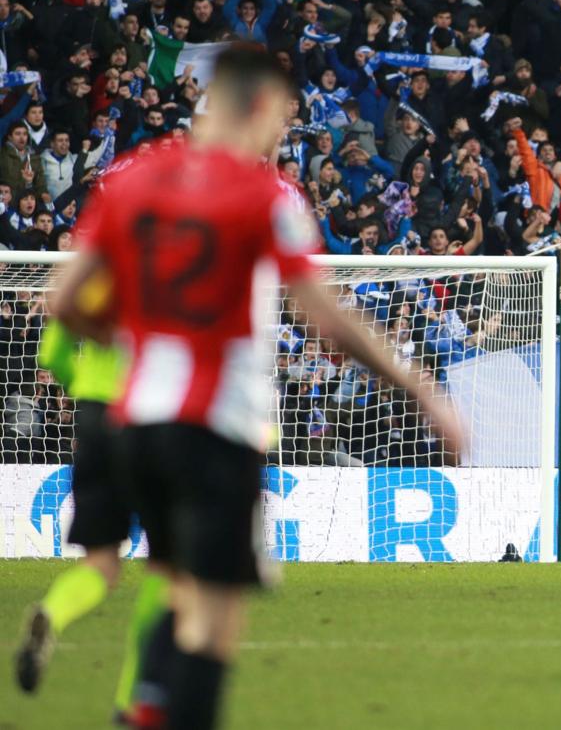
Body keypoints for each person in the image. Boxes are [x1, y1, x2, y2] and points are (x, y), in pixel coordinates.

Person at [47, 46, 465, 730]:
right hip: (216, 427)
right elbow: (324, 316)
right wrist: (421, 389)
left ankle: (139, 715)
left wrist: (143, 334)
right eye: (284, 120)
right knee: (212, 622)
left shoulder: (131, 179)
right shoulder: (264, 195)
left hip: (134, 424)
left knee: (175, 587)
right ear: (263, 107)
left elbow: (64, 301)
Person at [14, 317, 154, 720]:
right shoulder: (170, 266)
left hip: (95, 418)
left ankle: (53, 613)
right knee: (168, 568)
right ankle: (131, 700)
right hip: (151, 417)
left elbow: (51, 353)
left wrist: (85, 387)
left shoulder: (100, 269)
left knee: (100, 563)